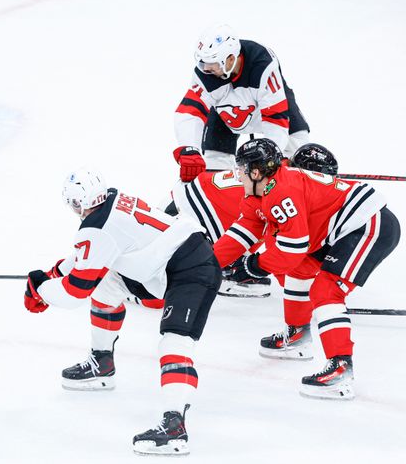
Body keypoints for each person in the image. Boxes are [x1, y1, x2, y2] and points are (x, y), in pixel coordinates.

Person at [23, 168, 221, 456]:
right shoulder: (112, 202)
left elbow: (74, 292)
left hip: (191, 271)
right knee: (105, 284)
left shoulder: (95, 227)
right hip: (167, 265)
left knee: (174, 342)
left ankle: (175, 427)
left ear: (78, 203)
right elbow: (87, 259)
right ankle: (101, 363)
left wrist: (41, 289)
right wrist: (51, 274)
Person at [213, 139, 400, 399]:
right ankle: (298, 334)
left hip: (368, 225)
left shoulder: (281, 190)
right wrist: (209, 263)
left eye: (242, 168)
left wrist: (254, 266)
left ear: (256, 172)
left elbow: (292, 249)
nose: (238, 173)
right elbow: (245, 229)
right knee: (299, 272)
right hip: (338, 231)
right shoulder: (260, 191)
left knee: (326, 291)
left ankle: (340, 369)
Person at [168, 144, 340, 298]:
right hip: (195, 213)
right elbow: (286, 259)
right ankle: (226, 272)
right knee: (162, 287)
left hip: (186, 201)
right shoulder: (281, 191)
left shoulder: (270, 173)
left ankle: (217, 268)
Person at [172, 24, 310, 182]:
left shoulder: (262, 63)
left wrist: (271, 156)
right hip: (227, 117)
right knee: (213, 169)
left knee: (298, 156)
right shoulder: (206, 73)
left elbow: (275, 118)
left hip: (271, 110)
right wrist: (189, 148)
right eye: (203, 63)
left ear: (230, 59)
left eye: (212, 63)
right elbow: (189, 110)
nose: (206, 69)